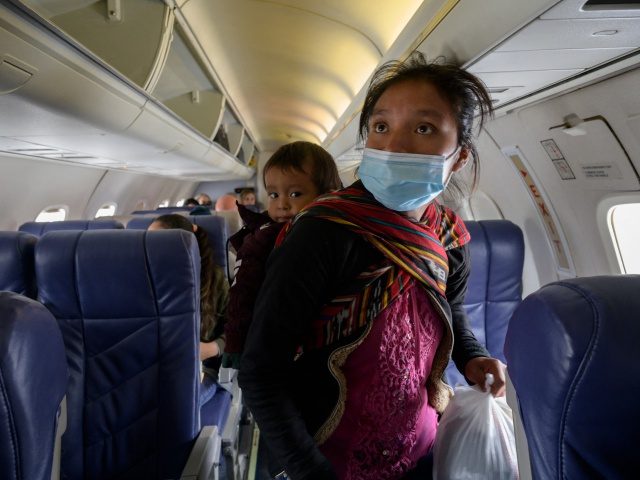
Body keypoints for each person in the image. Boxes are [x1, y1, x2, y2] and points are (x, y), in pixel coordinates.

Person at [238, 53, 506, 480]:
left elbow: (451, 314)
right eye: (381, 126)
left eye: (423, 128)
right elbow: (260, 372)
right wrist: (310, 471)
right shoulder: (324, 232)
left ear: (459, 157)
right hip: (325, 455)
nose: (394, 145)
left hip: (419, 448)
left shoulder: (449, 238)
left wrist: (474, 356)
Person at [222, 141, 342, 370]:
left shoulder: (336, 235)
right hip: (267, 342)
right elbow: (242, 292)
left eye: (295, 193)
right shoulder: (263, 239)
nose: (282, 205)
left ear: (328, 195)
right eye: (274, 195)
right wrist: (235, 342)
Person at [148, 214, 229, 402]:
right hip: (153, 368)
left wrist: (211, 348)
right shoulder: (143, 277)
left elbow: (235, 330)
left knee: (174, 403)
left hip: (200, 369)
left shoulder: (214, 280)